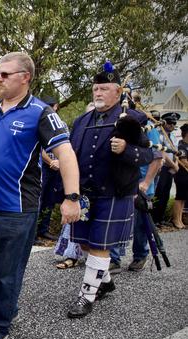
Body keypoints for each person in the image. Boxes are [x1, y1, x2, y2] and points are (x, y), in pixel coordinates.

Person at [0, 52, 80, 339]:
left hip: (17, 209)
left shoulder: (41, 112)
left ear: (25, 77)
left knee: (8, 270)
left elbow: (66, 154)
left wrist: (72, 198)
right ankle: (3, 309)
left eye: (5, 74)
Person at [67, 62, 154, 318]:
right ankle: (104, 281)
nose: (98, 93)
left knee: (99, 245)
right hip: (85, 193)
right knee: (84, 243)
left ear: (118, 92)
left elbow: (150, 155)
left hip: (114, 193)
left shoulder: (131, 120)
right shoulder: (82, 120)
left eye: (104, 88)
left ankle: (86, 295)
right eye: (95, 88)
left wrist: (126, 149)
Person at [108, 117, 163, 273]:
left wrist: (146, 183)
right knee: (117, 223)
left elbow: (156, 158)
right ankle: (114, 259)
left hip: (142, 185)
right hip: (125, 184)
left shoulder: (148, 129)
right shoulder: (120, 126)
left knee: (140, 224)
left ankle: (140, 255)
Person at [36, 96, 64, 242]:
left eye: (50, 106)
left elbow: (66, 146)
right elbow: (39, 148)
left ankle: (44, 229)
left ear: (56, 107)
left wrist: (59, 162)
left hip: (58, 166)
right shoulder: (40, 123)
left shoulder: (61, 124)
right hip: (45, 166)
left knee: (50, 200)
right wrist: (51, 161)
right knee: (39, 199)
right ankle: (34, 232)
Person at [152, 113, 180, 225]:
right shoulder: (159, 135)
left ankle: (160, 218)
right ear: (164, 122)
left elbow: (176, 152)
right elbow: (162, 152)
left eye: (174, 123)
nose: (171, 125)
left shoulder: (173, 136)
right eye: (169, 123)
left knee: (165, 193)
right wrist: (173, 165)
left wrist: (176, 165)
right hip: (162, 167)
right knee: (158, 192)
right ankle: (153, 219)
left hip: (172, 168)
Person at [172, 124, 188, 228]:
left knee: (184, 198)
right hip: (182, 175)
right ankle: (175, 219)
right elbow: (184, 161)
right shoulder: (181, 145)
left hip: (186, 175)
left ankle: (180, 219)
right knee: (179, 197)